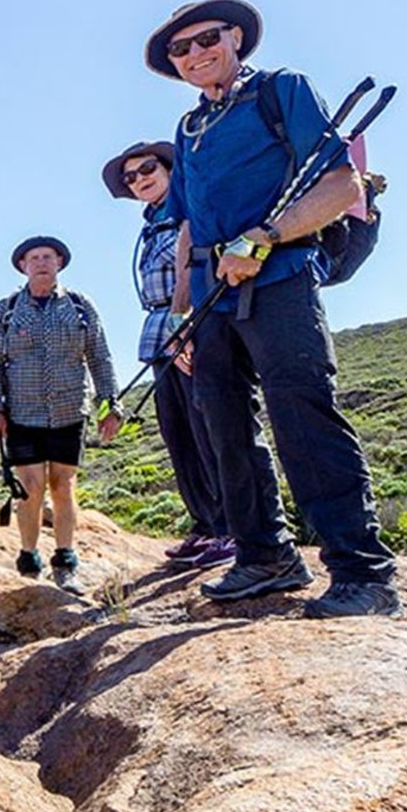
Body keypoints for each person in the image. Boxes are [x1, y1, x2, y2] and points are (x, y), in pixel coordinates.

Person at [148, 0, 401, 617]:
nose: (194, 53)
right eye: (180, 49)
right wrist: (181, 315)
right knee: (225, 430)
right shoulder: (189, 129)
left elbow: (341, 186)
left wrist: (266, 237)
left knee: (303, 416)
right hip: (210, 296)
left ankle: (361, 573)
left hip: (282, 279)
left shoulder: (281, 90)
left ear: (234, 36)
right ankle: (265, 557)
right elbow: (188, 232)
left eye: (206, 39)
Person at [104, 141, 233, 570]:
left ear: (168, 168)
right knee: (177, 433)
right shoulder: (150, 223)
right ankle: (205, 523)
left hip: (194, 324)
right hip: (160, 332)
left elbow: (199, 267)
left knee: (208, 428)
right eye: (131, 177)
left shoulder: (189, 208)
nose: (140, 179)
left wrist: (187, 324)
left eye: (147, 169)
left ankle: (232, 526)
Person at [0, 236, 122, 591]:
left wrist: (111, 403)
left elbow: (100, 356)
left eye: (48, 256)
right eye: (34, 257)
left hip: (69, 409)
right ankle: (29, 560)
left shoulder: (80, 306)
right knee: (29, 488)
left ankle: (65, 560)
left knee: (62, 484)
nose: (42, 262)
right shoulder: (7, 308)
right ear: (23, 266)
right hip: (22, 413)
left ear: (59, 263)